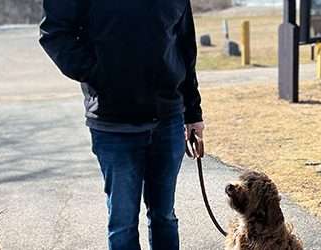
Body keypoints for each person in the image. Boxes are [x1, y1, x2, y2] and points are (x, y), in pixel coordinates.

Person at [39, 1, 204, 249]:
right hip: (113, 121)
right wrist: (98, 73)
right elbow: (54, 33)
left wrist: (193, 112)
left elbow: (185, 46)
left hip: (168, 118)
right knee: (123, 222)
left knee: (164, 216)